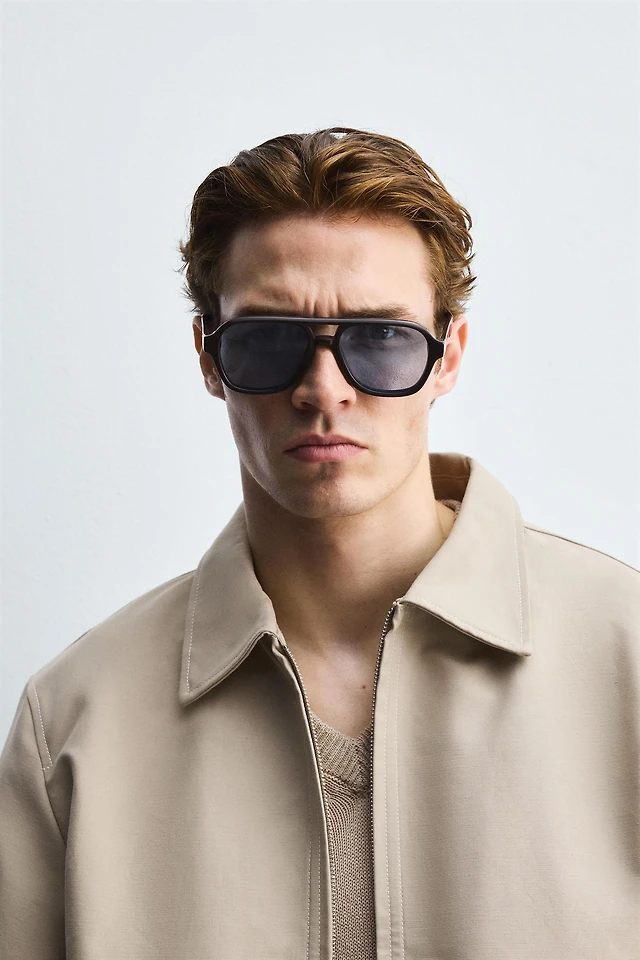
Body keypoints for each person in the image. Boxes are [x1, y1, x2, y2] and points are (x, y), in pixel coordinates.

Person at [0, 127, 638, 960]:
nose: (323, 389)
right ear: (208, 357)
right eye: (269, 339)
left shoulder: (625, 661)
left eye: (381, 338)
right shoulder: (74, 727)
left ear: (448, 356)